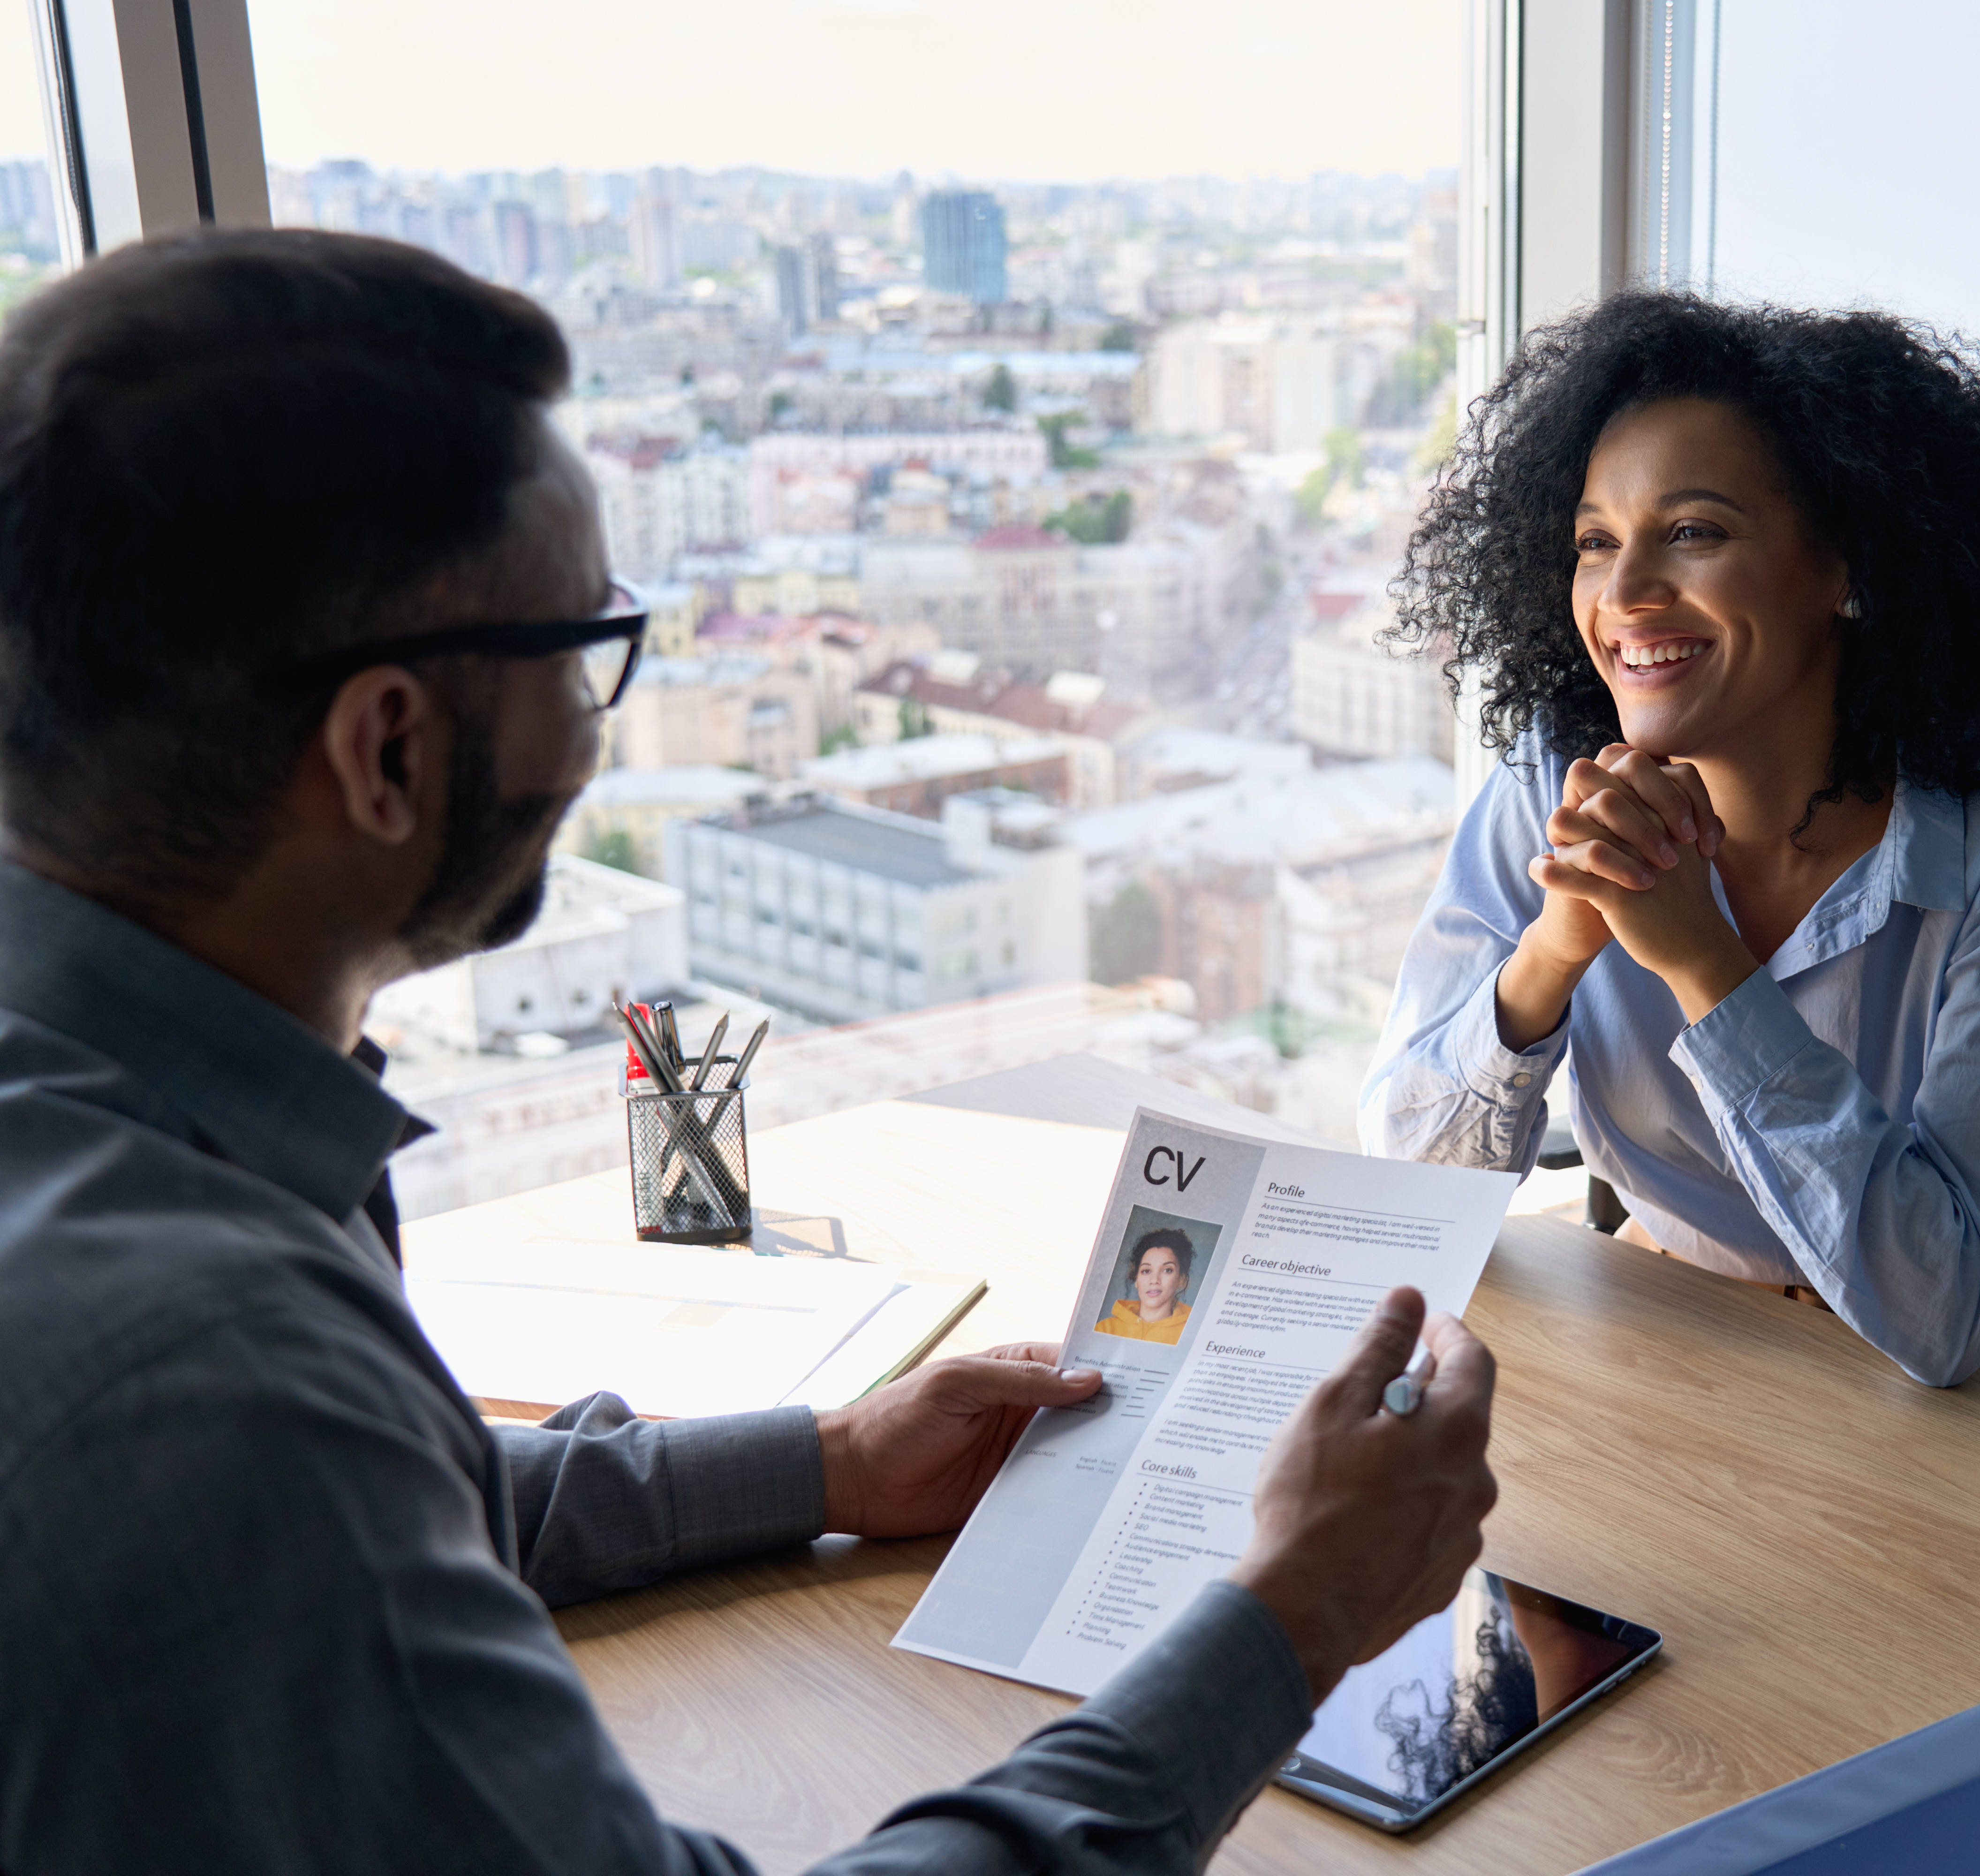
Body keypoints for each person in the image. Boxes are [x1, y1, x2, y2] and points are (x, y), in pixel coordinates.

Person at [0, 229, 1500, 1876]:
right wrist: (1290, 1621)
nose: (597, 731)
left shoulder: (106, 1138)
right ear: (387, 749)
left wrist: (828, 1461)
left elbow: (365, 1514)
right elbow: (281, 1480)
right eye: (582, 654)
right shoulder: (201, 1378)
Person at [1363, 292, 1980, 1402]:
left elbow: (1949, 1311)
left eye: (1694, 532)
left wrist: (1702, 962)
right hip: (1673, 1328)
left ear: (1845, 561)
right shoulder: (1555, 774)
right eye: (1595, 543)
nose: (1623, 595)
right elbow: (1405, 1186)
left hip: (1963, 1389)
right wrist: (1554, 952)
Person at [1094, 1227, 1196, 1342]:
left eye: (1167, 1270)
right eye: (1146, 1271)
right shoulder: (1105, 1329)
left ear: (1181, 1280)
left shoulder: (1191, 1335)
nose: (1154, 1280)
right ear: (1137, 1279)